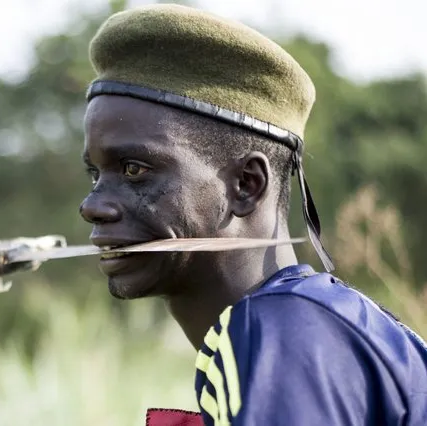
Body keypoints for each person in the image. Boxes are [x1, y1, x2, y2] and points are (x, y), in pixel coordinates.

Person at [78, 4, 427, 425]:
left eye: (134, 170)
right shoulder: (312, 323)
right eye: (96, 174)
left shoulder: (285, 333)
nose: (92, 205)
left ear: (246, 184)